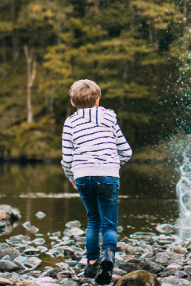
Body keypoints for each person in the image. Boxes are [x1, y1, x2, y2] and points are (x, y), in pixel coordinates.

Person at [61, 80, 132, 285]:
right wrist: (113, 166)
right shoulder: (110, 118)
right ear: (98, 99)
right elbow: (126, 151)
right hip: (108, 175)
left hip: (82, 175)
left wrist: (72, 177)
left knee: (93, 220)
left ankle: (92, 264)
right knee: (109, 223)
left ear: (73, 103)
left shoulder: (70, 122)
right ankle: (108, 256)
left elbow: (67, 158)